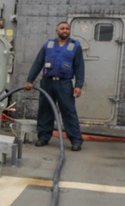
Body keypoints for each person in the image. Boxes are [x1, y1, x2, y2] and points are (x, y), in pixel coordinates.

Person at [24, 20, 85, 149]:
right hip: (47, 83)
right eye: (62, 28)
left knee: (69, 111)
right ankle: (43, 137)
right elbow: (38, 63)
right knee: (45, 110)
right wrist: (30, 80)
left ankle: (76, 140)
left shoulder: (75, 46)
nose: (65, 31)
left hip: (64, 84)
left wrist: (78, 85)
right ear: (57, 31)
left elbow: (80, 67)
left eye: (67, 29)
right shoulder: (48, 45)